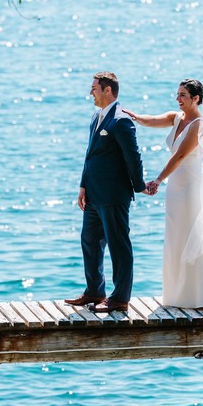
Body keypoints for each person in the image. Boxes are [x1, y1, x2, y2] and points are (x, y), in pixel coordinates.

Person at [122, 79, 203, 308]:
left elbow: (181, 156)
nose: (178, 98)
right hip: (176, 185)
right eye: (177, 94)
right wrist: (134, 117)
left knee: (192, 233)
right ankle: (178, 294)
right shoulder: (176, 118)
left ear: (196, 99)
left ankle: (202, 293)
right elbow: (151, 120)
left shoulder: (199, 125)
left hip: (191, 185)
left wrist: (158, 179)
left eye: (183, 95)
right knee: (176, 234)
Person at [65, 72, 147, 313]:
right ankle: (94, 291)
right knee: (89, 242)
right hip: (93, 193)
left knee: (118, 246)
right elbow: (90, 155)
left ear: (108, 90)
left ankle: (120, 298)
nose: (91, 92)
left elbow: (133, 156)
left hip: (113, 194)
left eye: (94, 88)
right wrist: (83, 185)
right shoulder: (96, 117)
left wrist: (140, 186)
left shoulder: (121, 121)